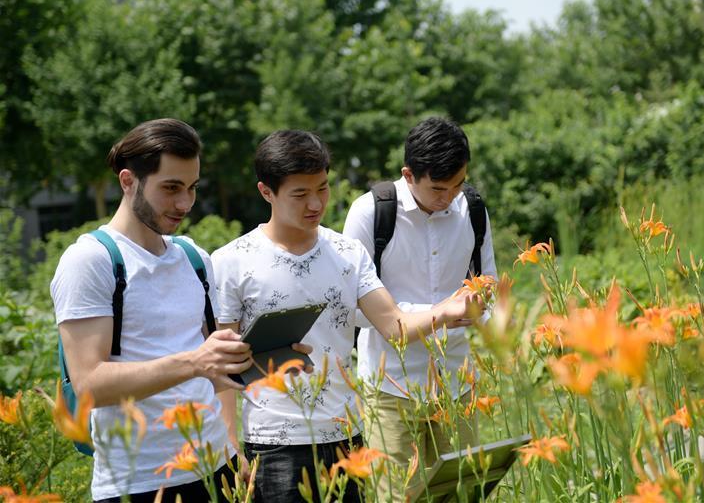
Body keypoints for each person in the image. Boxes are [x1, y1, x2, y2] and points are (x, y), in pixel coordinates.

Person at [212, 130, 482, 503]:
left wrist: (445, 312)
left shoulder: (347, 253)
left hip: (346, 437)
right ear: (266, 192)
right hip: (274, 442)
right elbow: (221, 366)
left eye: (322, 189)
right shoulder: (231, 261)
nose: (315, 203)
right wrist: (230, 445)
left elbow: (395, 327)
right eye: (300, 194)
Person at [51, 119, 253, 503]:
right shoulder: (91, 260)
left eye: (192, 188)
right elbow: (90, 384)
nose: (185, 203)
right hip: (140, 481)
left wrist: (271, 358)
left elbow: (216, 369)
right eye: (171, 188)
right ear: (129, 181)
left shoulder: (194, 258)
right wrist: (195, 362)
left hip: (215, 467)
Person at [343, 116, 497, 500]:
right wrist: (437, 313)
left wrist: (480, 304)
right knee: (397, 496)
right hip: (391, 385)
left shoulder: (472, 208)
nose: (449, 198)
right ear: (408, 175)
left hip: (457, 382)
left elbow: (488, 278)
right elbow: (353, 309)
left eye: (458, 185)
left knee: (461, 493)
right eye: (438, 188)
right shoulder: (370, 212)